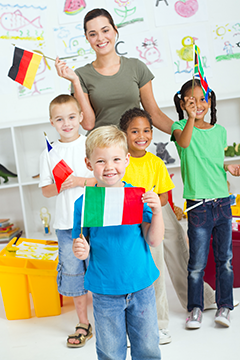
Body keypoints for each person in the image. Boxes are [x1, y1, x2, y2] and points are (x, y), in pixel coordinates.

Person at [72, 125, 164, 360]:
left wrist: (157, 212)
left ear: (126, 160)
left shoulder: (138, 197)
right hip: (104, 290)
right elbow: (81, 246)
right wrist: (81, 250)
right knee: (110, 351)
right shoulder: (83, 204)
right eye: (101, 161)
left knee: (148, 348)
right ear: (89, 164)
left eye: (115, 159)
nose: (109, 167)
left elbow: (154, 240)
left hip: (141, 285)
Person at [171, 79, 240, 329]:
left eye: (202, 99)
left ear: (209, 102)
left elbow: (211, 162)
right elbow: (186, 144)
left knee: (225, 260)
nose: (198, 105)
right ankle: (196, 309)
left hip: (222, 203)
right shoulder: (180, 127)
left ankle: (225, 306)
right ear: (183, 104)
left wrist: (227, 166)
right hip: (198, 206)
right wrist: (189, 117)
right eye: (191, 100)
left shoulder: (219, 131)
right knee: (197, 264)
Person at [55, 7, 173, 134]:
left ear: (115, 30)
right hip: (101, 148)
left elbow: (154, 114)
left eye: (105, 30)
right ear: (87, 38)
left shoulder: (137, 67)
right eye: (93, 34)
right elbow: (87, 124)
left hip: (134, 146)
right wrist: (76, 82)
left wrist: (187, 133)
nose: (100, 38)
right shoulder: (80, 75)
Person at [39, 94, 96, 347]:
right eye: (60, 119)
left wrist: (80, 181)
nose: (67, 123)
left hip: (95, 220)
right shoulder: (48, 154)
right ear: (52, 122)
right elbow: (45, 190)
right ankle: (83, 322)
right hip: (65, 225)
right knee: (74, 274)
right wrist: (60, 184)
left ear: (81, 117)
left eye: (72, 117)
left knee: (102, 267)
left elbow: (105, 179)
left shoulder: (90, 144)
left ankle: (109, 316)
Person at [120, 107, 174, 345]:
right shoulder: (120, 161)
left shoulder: (156, 163)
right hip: (126, 228)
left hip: (151, 225)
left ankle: (160, 325)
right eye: (134, 131)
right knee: (129, 277)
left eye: (146, 130)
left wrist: (152, 201)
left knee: (156, 275)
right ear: (124, 134)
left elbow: (164, 196)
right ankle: (131, 329)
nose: (141, 136)